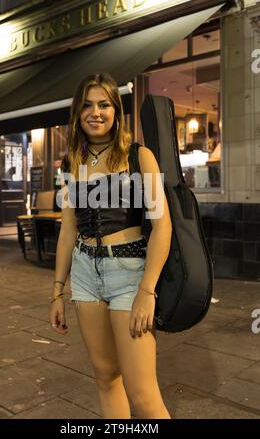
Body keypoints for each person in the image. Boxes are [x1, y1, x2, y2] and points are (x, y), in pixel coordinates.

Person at [50, 72, 172, 419]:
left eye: (104, 104)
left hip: (129, 274)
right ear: (77, 112)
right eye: (87, 105)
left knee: (143, 394)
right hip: (86, 273)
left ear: (117, 111)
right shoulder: (71, 161)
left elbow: (163, 226)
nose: (95, 112)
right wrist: (58, 290)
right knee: (105, 377)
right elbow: (68, 228)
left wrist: (147, 290)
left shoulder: (139, 156)